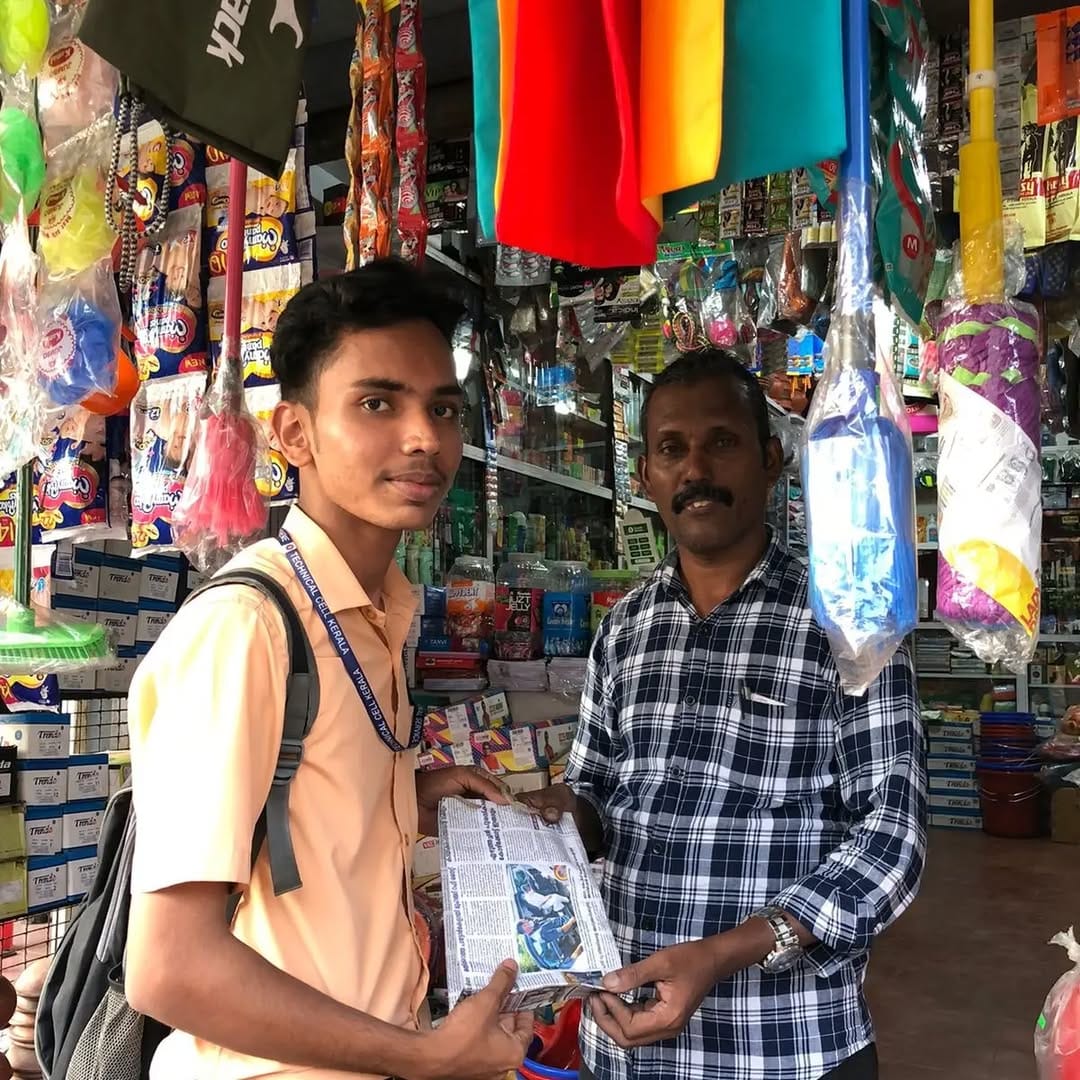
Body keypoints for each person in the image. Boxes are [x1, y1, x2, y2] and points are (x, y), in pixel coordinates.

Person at [125, 260, 534, 1080]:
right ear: (295, 435)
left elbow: (286, 836)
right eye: (377, 403)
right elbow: (169, 967)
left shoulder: (378, 612)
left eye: (443, 408)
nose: (424, 437)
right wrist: (421, 1059)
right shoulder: (248, 629)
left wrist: (400, 798)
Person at [522, 350, 927, 1080]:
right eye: (671, 449)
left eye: (722, 442)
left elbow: (890, 843)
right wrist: (547, 820)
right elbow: (597, 800)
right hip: (629, 1045)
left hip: (787, 1047)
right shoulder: (625, 629)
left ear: (772, 461)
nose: (695, 468)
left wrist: (724, 953)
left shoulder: (846, 623)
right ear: (644, 476)